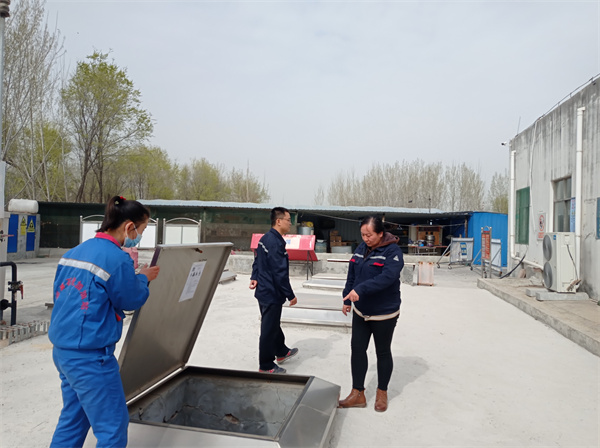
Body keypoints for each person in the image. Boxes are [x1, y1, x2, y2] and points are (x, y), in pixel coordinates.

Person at [48, 196, 160, 448]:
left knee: (73, 420)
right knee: (113, 428)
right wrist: (143, 278)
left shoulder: (73, 253)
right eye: (141, 230)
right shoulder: (116, 258)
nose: (140, 237)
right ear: (129, 227)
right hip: (91, 358)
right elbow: (131, 299)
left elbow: (63, 295)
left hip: (64, 352)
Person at [338, 216, 404, 413]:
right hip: (361, 310)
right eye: (363, 235)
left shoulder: (393, 252)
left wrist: (361, 289)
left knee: (382, 352)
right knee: (357, 349)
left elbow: (387, 278)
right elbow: (352, 274)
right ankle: (357, 392)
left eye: (369, 235)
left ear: (380, 233)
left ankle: (382, 392)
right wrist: (346, 298)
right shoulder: (361, 248)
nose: (366, 239)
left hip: (384, 313)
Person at [249, 207, 299, 374]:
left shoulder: (265, 238)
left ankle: (281, 351)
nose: (290, 224)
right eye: (288, 220)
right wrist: (290, 294)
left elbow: (257, 260)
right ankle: (266, 365)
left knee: (272, 324)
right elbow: (280, 273)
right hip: (271, 292)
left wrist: (254, 276)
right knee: (268, 329)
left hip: (264, 290)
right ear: (278, 221)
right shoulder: (275, 242)